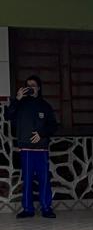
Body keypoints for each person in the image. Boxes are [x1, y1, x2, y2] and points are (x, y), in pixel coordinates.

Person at [5, 75, 58, 219]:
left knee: (44, 179)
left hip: (41, 149)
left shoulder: (45, 106)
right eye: (28, 85)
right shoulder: (21, 104)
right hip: (26, 149)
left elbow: (53, 125)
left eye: (33, 85)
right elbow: (8, 116)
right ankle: (28, 209)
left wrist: (41, 133)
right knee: (27, 180)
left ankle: (46, 208)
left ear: (38, 88)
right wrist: (17, 99)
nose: (30, 88)